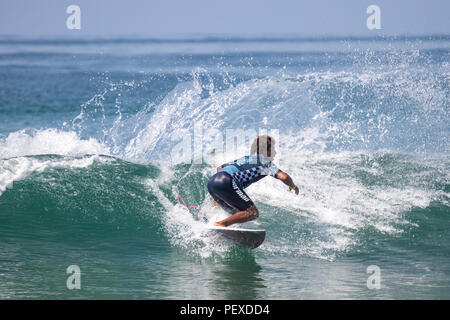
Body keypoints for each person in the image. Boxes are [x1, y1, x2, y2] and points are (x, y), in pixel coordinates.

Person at [207, 135, 299, 227]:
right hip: (227, 181)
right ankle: (221, 224)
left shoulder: (246, 158)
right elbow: (284, 177)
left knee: (235, 212)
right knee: (253, 213)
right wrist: (293, 186)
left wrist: (220, 194)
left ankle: (214, 222)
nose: (275, 152)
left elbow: (220, 167)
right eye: (273, 149)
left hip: (212, 182)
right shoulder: (266, 163)